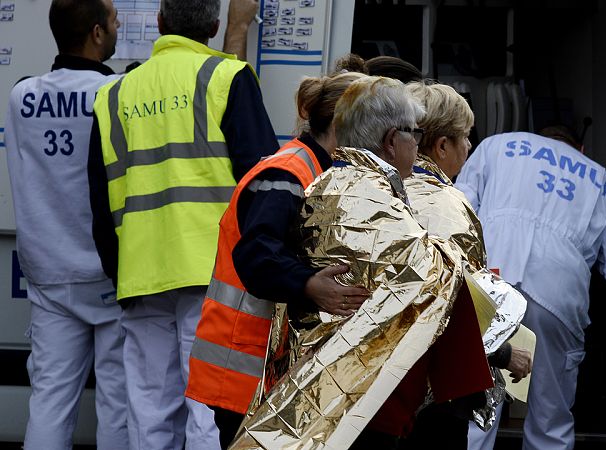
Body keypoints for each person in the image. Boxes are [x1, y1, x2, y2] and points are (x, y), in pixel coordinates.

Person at [229, 76, 492, 450]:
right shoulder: (372, 198)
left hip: (325, 388)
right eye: (413, 135)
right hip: (359, 396)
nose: (417, 146)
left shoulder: (330, 183)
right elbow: (435, 277)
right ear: (390, 141)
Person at [87, 0, 279, 447]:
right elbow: (262, 182)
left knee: (149, 412)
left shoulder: (113, 95)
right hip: (215, 274)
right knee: (208, 410)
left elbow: (100, 200)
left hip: (141, 272)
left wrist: (120, 271)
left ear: (158, 23)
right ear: (214, 26)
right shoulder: (227, 78)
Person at [185, 71, 370, 449]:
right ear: (342, 124)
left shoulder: (317, 169)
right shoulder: (287, 173)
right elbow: (257, 256)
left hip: (264, 369)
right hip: (245, 370)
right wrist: (309, 284)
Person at [455, 130, 606, 450]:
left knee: (475, 417)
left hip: (490, 282)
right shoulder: (604, 183)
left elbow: (457, 214)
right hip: (557, 298)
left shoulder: (498, 145)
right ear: (581, 148)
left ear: (537, 137)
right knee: (550, 424)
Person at [3, 1, 126, 449]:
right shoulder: (117, 93)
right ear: (96, 33)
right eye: (113, 21)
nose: (117, 28)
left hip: (49, 274)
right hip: (111, 275)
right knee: (119, 402)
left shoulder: (22, 96)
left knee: (50, 401)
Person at [399, 81, 532, 450]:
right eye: (466, 138)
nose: (470, 147)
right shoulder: (448, 206)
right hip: (435, 392)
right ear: (442, 146)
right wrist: (504, 354)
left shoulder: (385, 190)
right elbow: (452, 309)